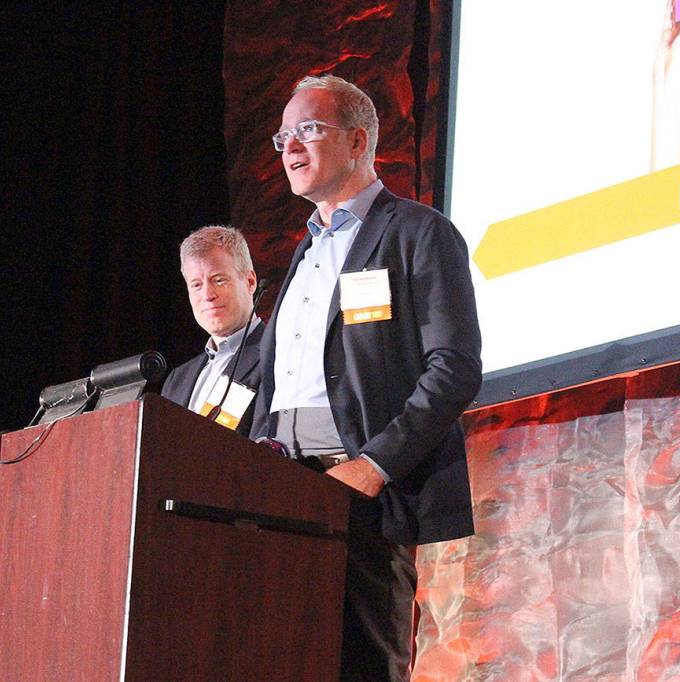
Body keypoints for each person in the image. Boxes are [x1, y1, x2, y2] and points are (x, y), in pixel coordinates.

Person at [251, 75, 483, 680]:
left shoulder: (417, 233)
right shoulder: (303, 254)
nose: (290, 149)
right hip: (279, 489)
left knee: (361, 667)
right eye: (283, 138)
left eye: (307, 130)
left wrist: (374, 465)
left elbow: (454, 368)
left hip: (359, 493)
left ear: (358, 142)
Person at [161, 225, 263, 436]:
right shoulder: (176, 380)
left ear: (250, 282)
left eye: (219, 280)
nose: (207, 295)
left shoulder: (279, 355)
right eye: (196, 285)